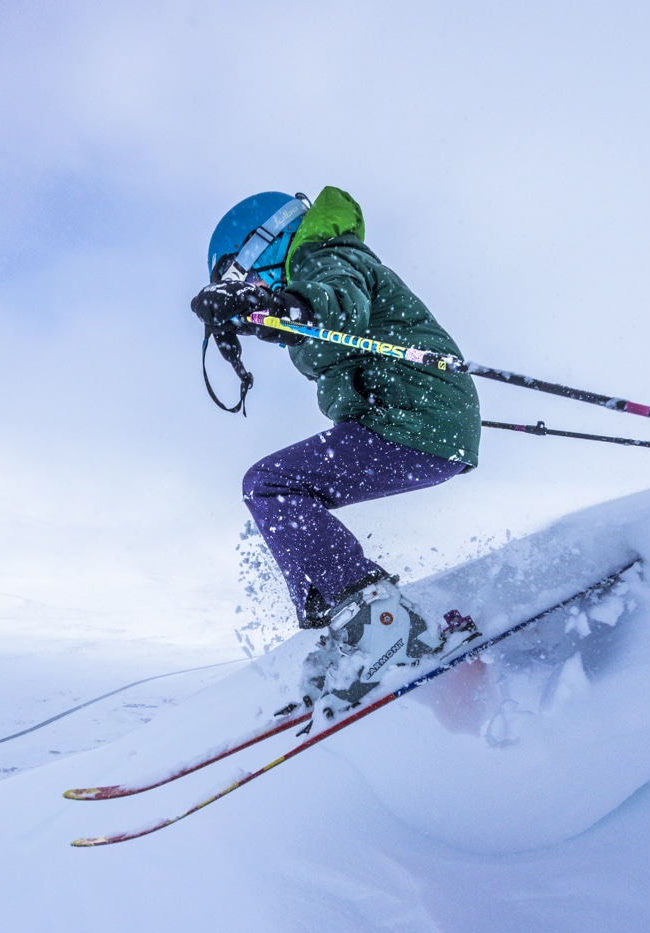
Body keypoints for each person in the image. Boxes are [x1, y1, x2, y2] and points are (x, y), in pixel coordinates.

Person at [190, 186, 481, 718]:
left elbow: (336, 303)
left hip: (417, 419)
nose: (251, 286)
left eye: (244, 275)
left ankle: (385, 628)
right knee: (280, 490)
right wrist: (255, 315)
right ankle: (350, 629)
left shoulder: (326, 255)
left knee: (272, 485)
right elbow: (314, 322)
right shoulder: (312, 274)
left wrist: (274, 303)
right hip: (414, 421)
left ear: (264, 242)